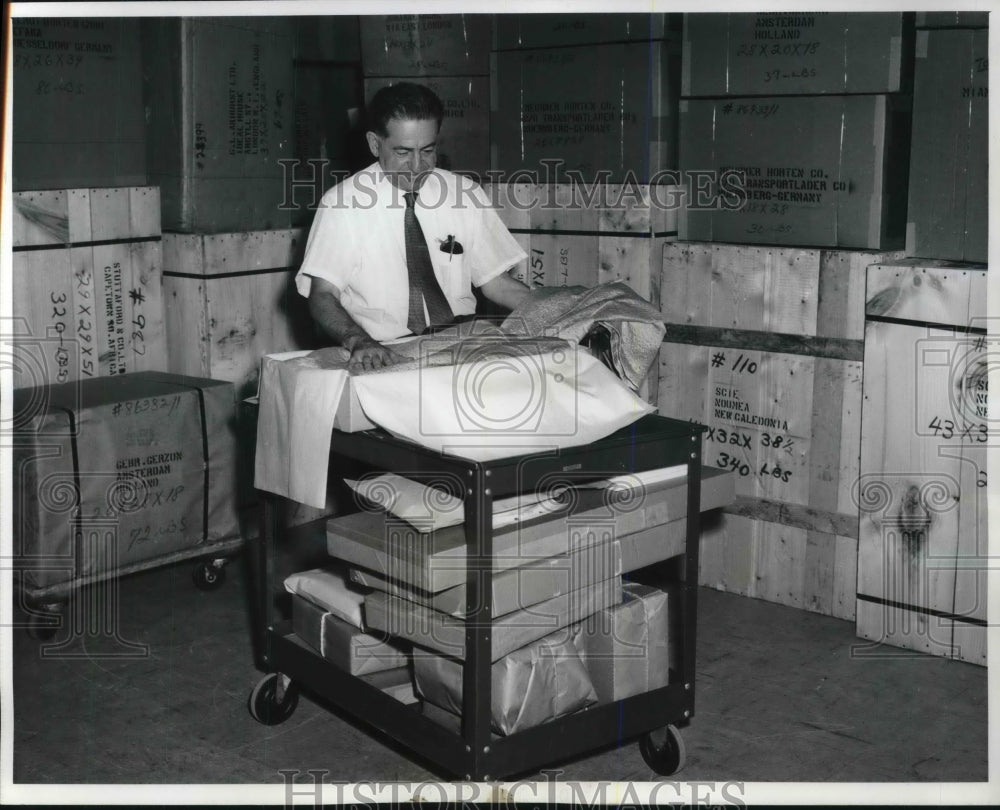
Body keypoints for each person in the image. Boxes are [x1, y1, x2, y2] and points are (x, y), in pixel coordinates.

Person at [295, 82, 530, 372]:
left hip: (463, 343)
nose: (417, 166)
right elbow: (322, 295)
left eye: (428, 150)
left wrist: (562, 308)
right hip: (384, 351)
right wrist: (359, 341)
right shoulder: (341, 205)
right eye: (403, 152)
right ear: (374, 144)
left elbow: (497, 285)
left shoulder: (465, 194)